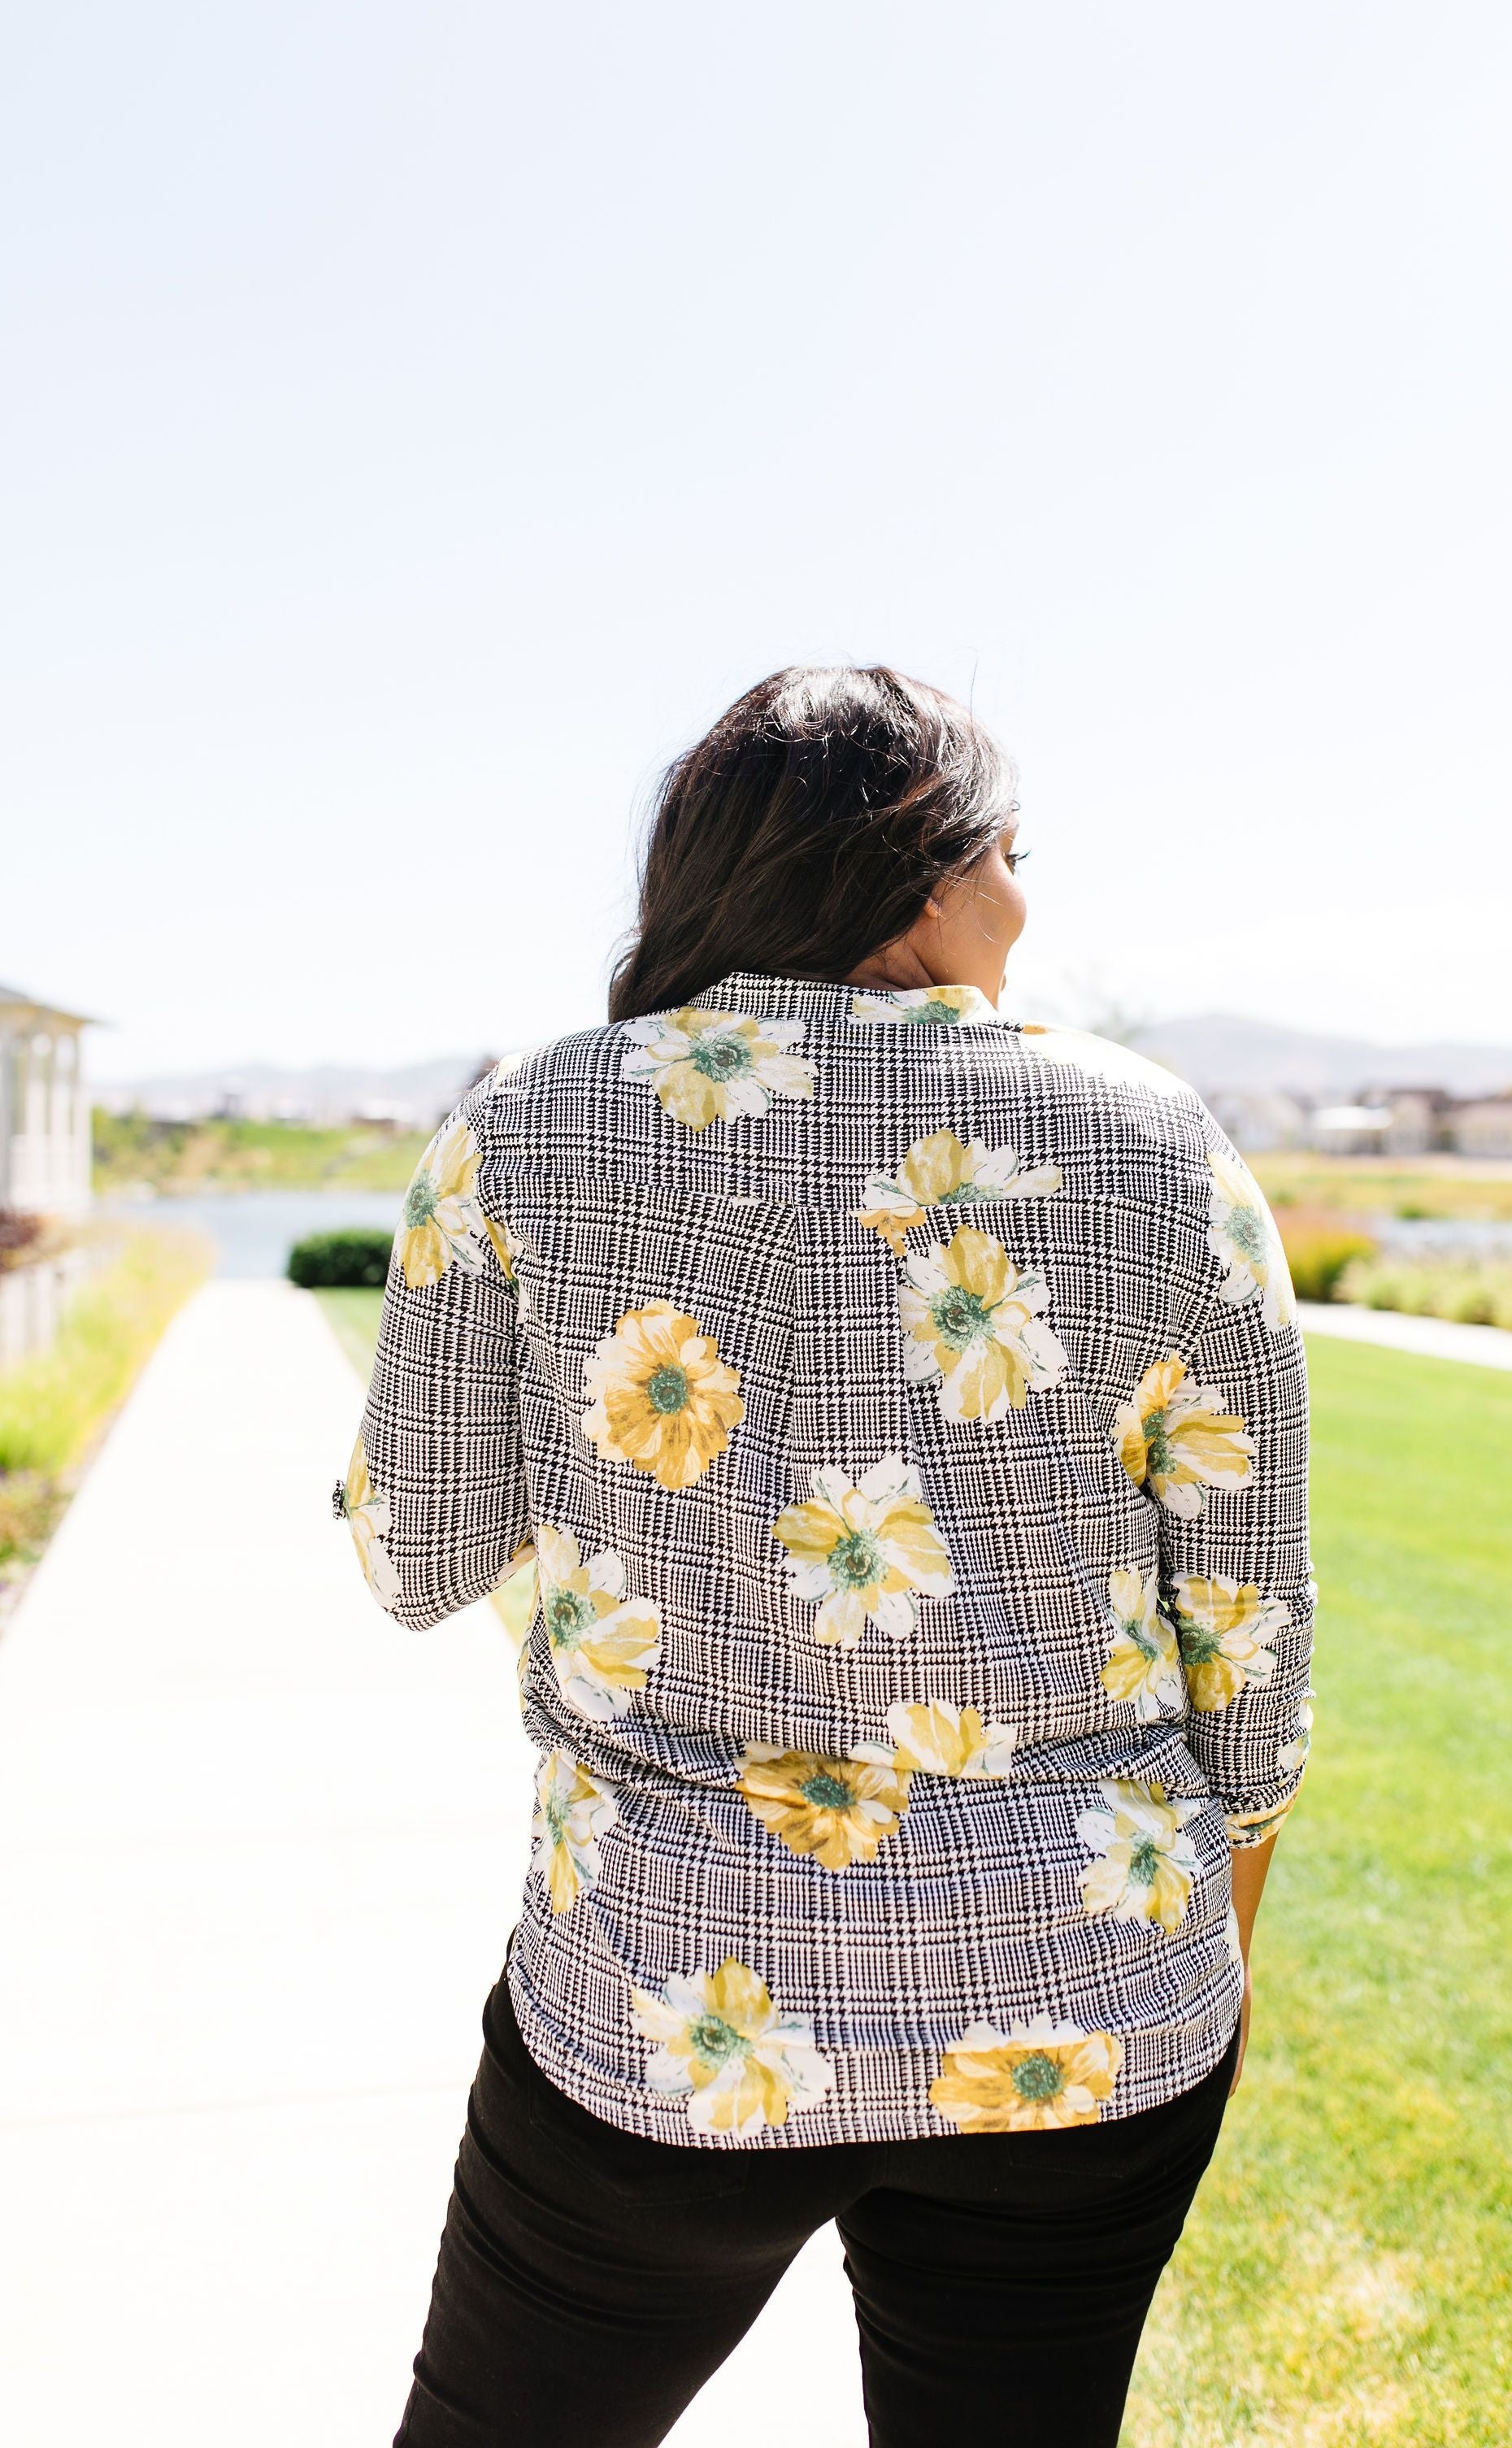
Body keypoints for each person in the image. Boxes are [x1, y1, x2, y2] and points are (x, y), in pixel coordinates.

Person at [340, 665, 1314, 2448]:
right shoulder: (1160, 1142)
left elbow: (414, 1555)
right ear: (921, 880)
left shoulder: (525, 1129)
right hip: (1083, 1996)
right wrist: (1210, 1934)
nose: (1027, 900)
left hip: (662, 1999)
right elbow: (1246, 1658)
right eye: (1011, 853)